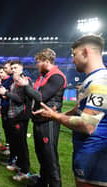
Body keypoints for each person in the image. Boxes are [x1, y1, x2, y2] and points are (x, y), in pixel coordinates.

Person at [33, 35, 107, 187]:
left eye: (74, 55)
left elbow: (87, 125)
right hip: (85, 153)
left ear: (85, 52)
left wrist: (54, 115)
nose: (73, 60)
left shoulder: (100, 81)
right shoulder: (90, 80)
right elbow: (76, 110)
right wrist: (55, 115)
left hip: (95, 158)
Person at [29, 48, 67, 187]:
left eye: (38, 62)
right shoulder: (44, 75)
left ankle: (56, 184)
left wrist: (26, 86)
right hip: (40, 119)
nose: (37, 65)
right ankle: (43, 182)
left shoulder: (56, 76)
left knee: (50, 156)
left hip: (49, 121)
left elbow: (41, 97)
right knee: (41, 154)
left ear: (46, 61)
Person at [0, 61, 34, 182]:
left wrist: (6, 93)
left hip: (21, 116)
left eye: (15, 67)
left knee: (21, 144)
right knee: (16, 142)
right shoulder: (15, 81)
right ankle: (18, 165)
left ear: (22, 68)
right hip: (13, 115)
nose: (13, 70)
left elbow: (21, 99)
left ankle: (25, 171)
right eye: (12, 68)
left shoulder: (24, 80)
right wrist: (6, 94)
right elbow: (14, 97)